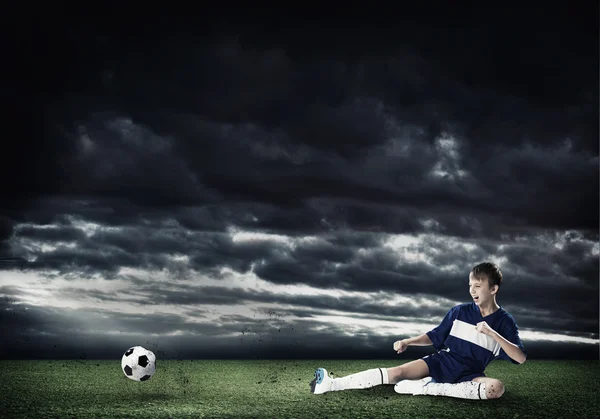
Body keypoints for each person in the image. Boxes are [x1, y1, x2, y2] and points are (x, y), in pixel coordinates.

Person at [309, 262, 526, 400]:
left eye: (477, 286)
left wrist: (492, 333)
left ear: (493, 289)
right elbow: (434, 336)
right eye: (470, 285)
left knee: (496, 389)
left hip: (471, 373)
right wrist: (407, 341)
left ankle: (427, 388)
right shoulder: (459, 311)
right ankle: (331, 384)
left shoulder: (504, 322)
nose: (472, 290)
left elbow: (521, 358)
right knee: (397, 373)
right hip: (443, 361)